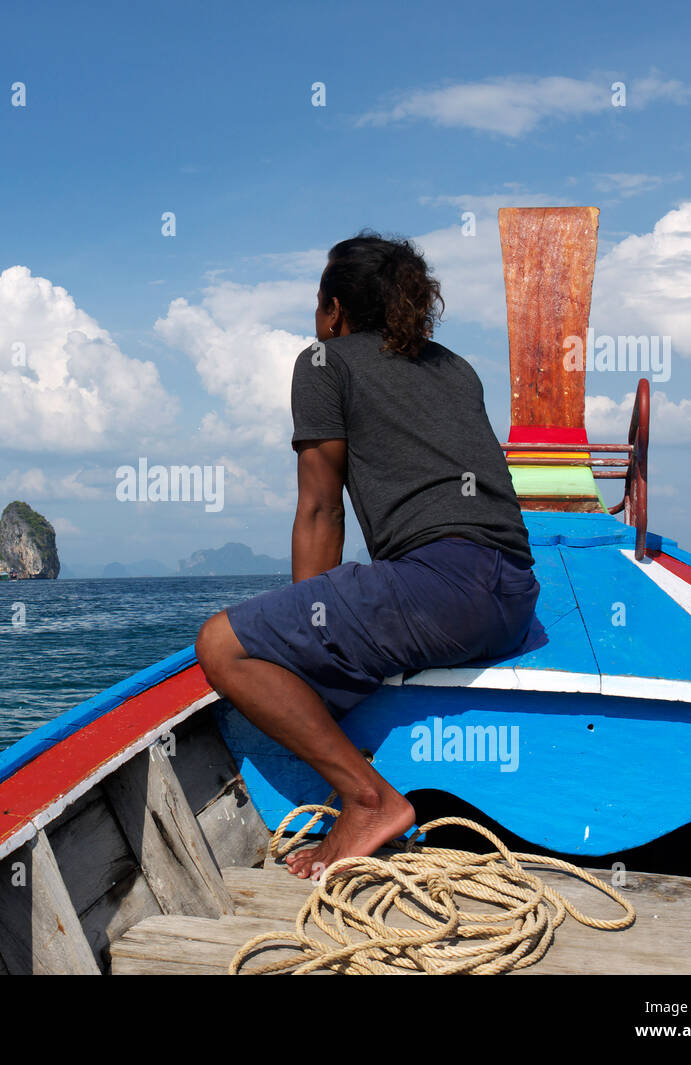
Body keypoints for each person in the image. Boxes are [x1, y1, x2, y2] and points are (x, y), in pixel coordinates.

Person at [194, 230, 542, 879]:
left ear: (334, 311)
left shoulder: (324, 362)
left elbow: (321, 509)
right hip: (513, 595)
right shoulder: (455, 367)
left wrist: (300, 633)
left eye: (317, 305)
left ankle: (369, 798)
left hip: (445, 588)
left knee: (222, 644)